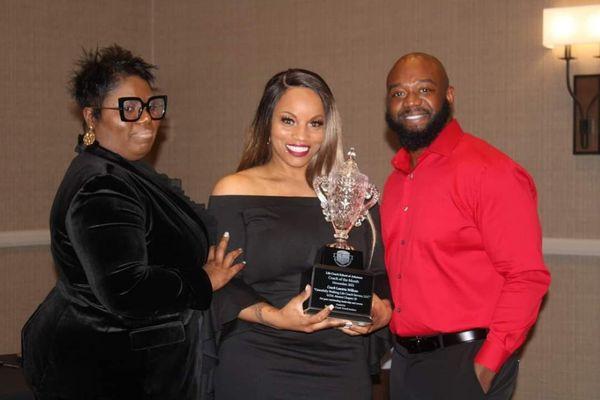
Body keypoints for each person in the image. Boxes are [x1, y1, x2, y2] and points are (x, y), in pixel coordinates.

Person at [21, 45, 244, 400]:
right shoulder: (102, 184)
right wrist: (203, 280)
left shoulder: (123, 169)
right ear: (91, 117)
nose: (145, 119)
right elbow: (126, 289)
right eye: (129, 109)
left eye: (151, 107)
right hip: (113, 369)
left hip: (126, 362)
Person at [208, 69, 392, 400]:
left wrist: (381, 312)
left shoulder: (353, 193)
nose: (301, 136)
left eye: (315, 123)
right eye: (288, 121)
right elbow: (222, 285)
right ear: (267, 123)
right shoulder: (235, 189)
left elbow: (378, 276)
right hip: (261, 358)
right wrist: (277, 317)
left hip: (342, 365)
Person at [380, 52, 551, 399]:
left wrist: (486, 366)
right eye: (398, 93)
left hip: (466, 361)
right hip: (403, 362)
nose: (410, 101)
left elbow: (527, 277)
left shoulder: (491, 172)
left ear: (449, 96)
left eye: (424, 89)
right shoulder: (395, 182)